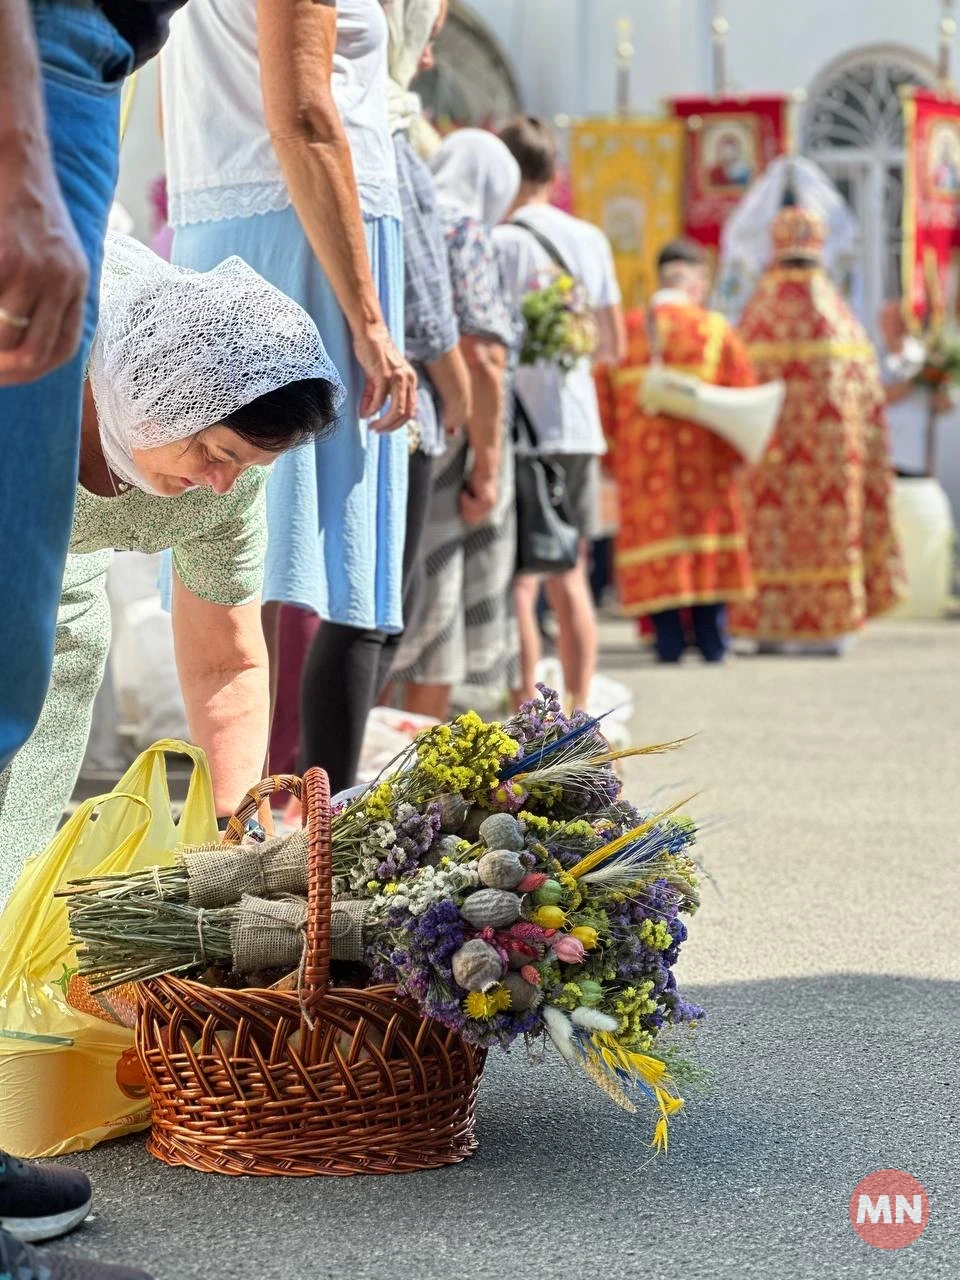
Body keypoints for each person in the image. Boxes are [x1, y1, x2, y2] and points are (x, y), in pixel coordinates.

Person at [0, 234, 342, 900]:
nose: (224, 483)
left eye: (247, 465)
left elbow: (226, 661)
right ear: (163, 391)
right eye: (217, 452)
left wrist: (243, 832)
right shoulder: (35, 352)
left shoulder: (229, 486)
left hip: (55, 604)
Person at [161, 0, 417, 794]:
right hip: (300, 232)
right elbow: (304, 118)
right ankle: (283, 825)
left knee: (251, 542)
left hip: (263, 220)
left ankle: (254, 818)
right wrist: (369, 319)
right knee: (287, 541)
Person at [729, 205, 905, 653]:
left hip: (767, 460)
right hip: (829, 465)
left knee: (769, 529)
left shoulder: (755, 319)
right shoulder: (841, 320)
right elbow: (868, 399)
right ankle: (830, 625)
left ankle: (770, 625)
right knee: (828, 527)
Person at [494, 115, 626, 709]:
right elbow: (614, 344)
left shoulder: (503, 241)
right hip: (579, 425)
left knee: (519, 582)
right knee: (571, 570)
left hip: (523, 430)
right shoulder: (590, 238)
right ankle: (578, 706)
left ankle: (526, 707)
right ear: (555, 172)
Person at [391, 130, 522, 718]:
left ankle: (370, 751)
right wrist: (488, 464)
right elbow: (484, 358)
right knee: (439, 599)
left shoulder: (405, 213)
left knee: (394, 599)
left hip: (395, 419)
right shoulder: (465, 229)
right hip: (451, 432)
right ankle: (412, 757)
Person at [595, 239, 756, 664]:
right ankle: (711, 641)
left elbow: (601, 401)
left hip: (643, 472)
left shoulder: (626, 330)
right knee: (705, 546)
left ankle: (667, 642)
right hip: (706, 471)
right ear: (696, 283)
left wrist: (613, 461)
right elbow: (745, 402)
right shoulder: (715, 331)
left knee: (655, 547)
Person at [376, 0, 471, 696]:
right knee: (379, 614)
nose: (430, 58)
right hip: (402, 404)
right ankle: (325, 784)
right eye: (425, 37)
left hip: (372, 393)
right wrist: (461, 391)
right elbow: (427, 308)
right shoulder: (389, 141)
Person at [878, 300, 952, 478]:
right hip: (883, 457)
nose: (896, 327)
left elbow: (945, 405)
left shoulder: (925, 356)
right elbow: (880, 397)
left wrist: (938, 389)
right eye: (890, 322)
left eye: (899, 321)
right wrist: (917, 378)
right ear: (881, 325)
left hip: (915, 457)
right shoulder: (873, 358)